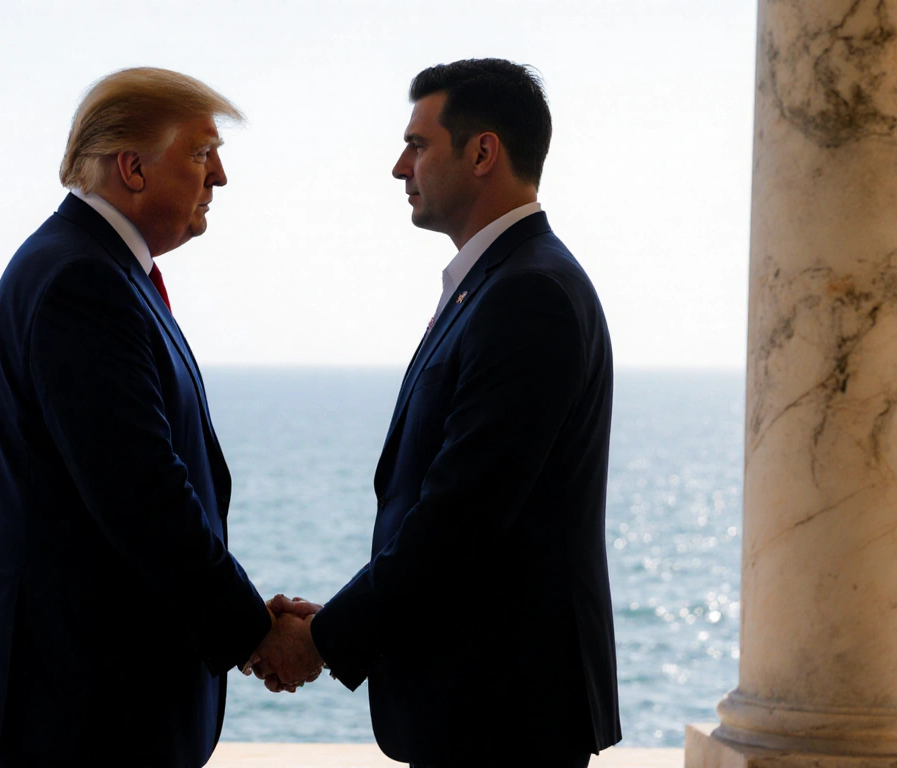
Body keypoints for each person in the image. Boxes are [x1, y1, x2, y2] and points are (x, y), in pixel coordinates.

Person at [253, 59, 623, 767]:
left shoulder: (528, 295)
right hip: (480, 705)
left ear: (482, 152)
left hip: (504, 716)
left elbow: (462, 515)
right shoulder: (493, 284)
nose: (399, 166)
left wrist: (324, 641)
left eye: (418, 144)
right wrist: (338, 626)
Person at [0, 67, 308, 768]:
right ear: (132, 168)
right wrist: (255, 631)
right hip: (83, 705)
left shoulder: (93, 269)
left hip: (87, 698)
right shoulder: (83, 282)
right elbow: (143, 493)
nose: (220, 177)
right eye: (202, 154)